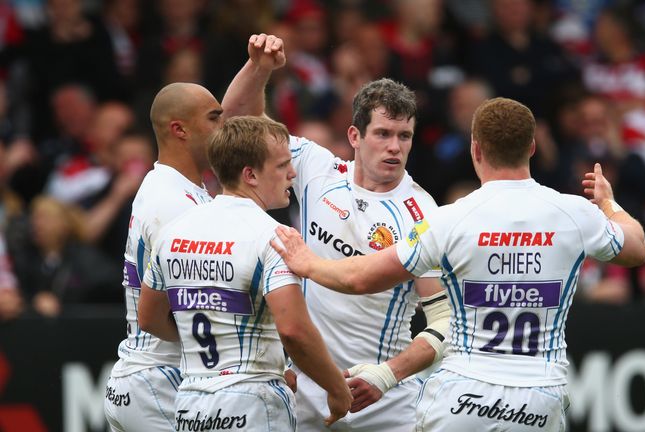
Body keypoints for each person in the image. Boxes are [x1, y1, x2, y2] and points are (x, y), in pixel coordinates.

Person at [271, 97, 645, 431]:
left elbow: (359, 278)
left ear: (476, 150)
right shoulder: (574, 213)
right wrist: (609, 205)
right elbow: (637, 249)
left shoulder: (448, 219)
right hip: (539, 393)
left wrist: (306, 263)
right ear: (532, 147)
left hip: (464, 392)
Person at [103, 33, 287, 432]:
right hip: (160, 379)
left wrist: (258, 69)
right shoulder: (174, 204)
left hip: (142, 377)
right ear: (179, 130)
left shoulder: (175, 188)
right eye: (213, 118)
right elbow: (157, 317)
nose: (225, 126)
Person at [257, 77, 449, 430]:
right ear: (354, 137)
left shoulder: (423, 214)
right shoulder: (319, 169)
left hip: (382, 400)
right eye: (382, 134)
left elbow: (444, 322)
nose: (395, 147)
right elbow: (244, 129)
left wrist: (387, 375)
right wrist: (258, 68)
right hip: (306, 392)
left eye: (404, 136)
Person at [137, 115, 352, 430]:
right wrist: (336, 389)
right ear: (250, 175)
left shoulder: (173, 232)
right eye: (282, 166)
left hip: (191, 405)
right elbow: (294, 331)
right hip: (251, 402)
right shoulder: (274, 236)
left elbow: (149, 319)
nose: (292, 174)